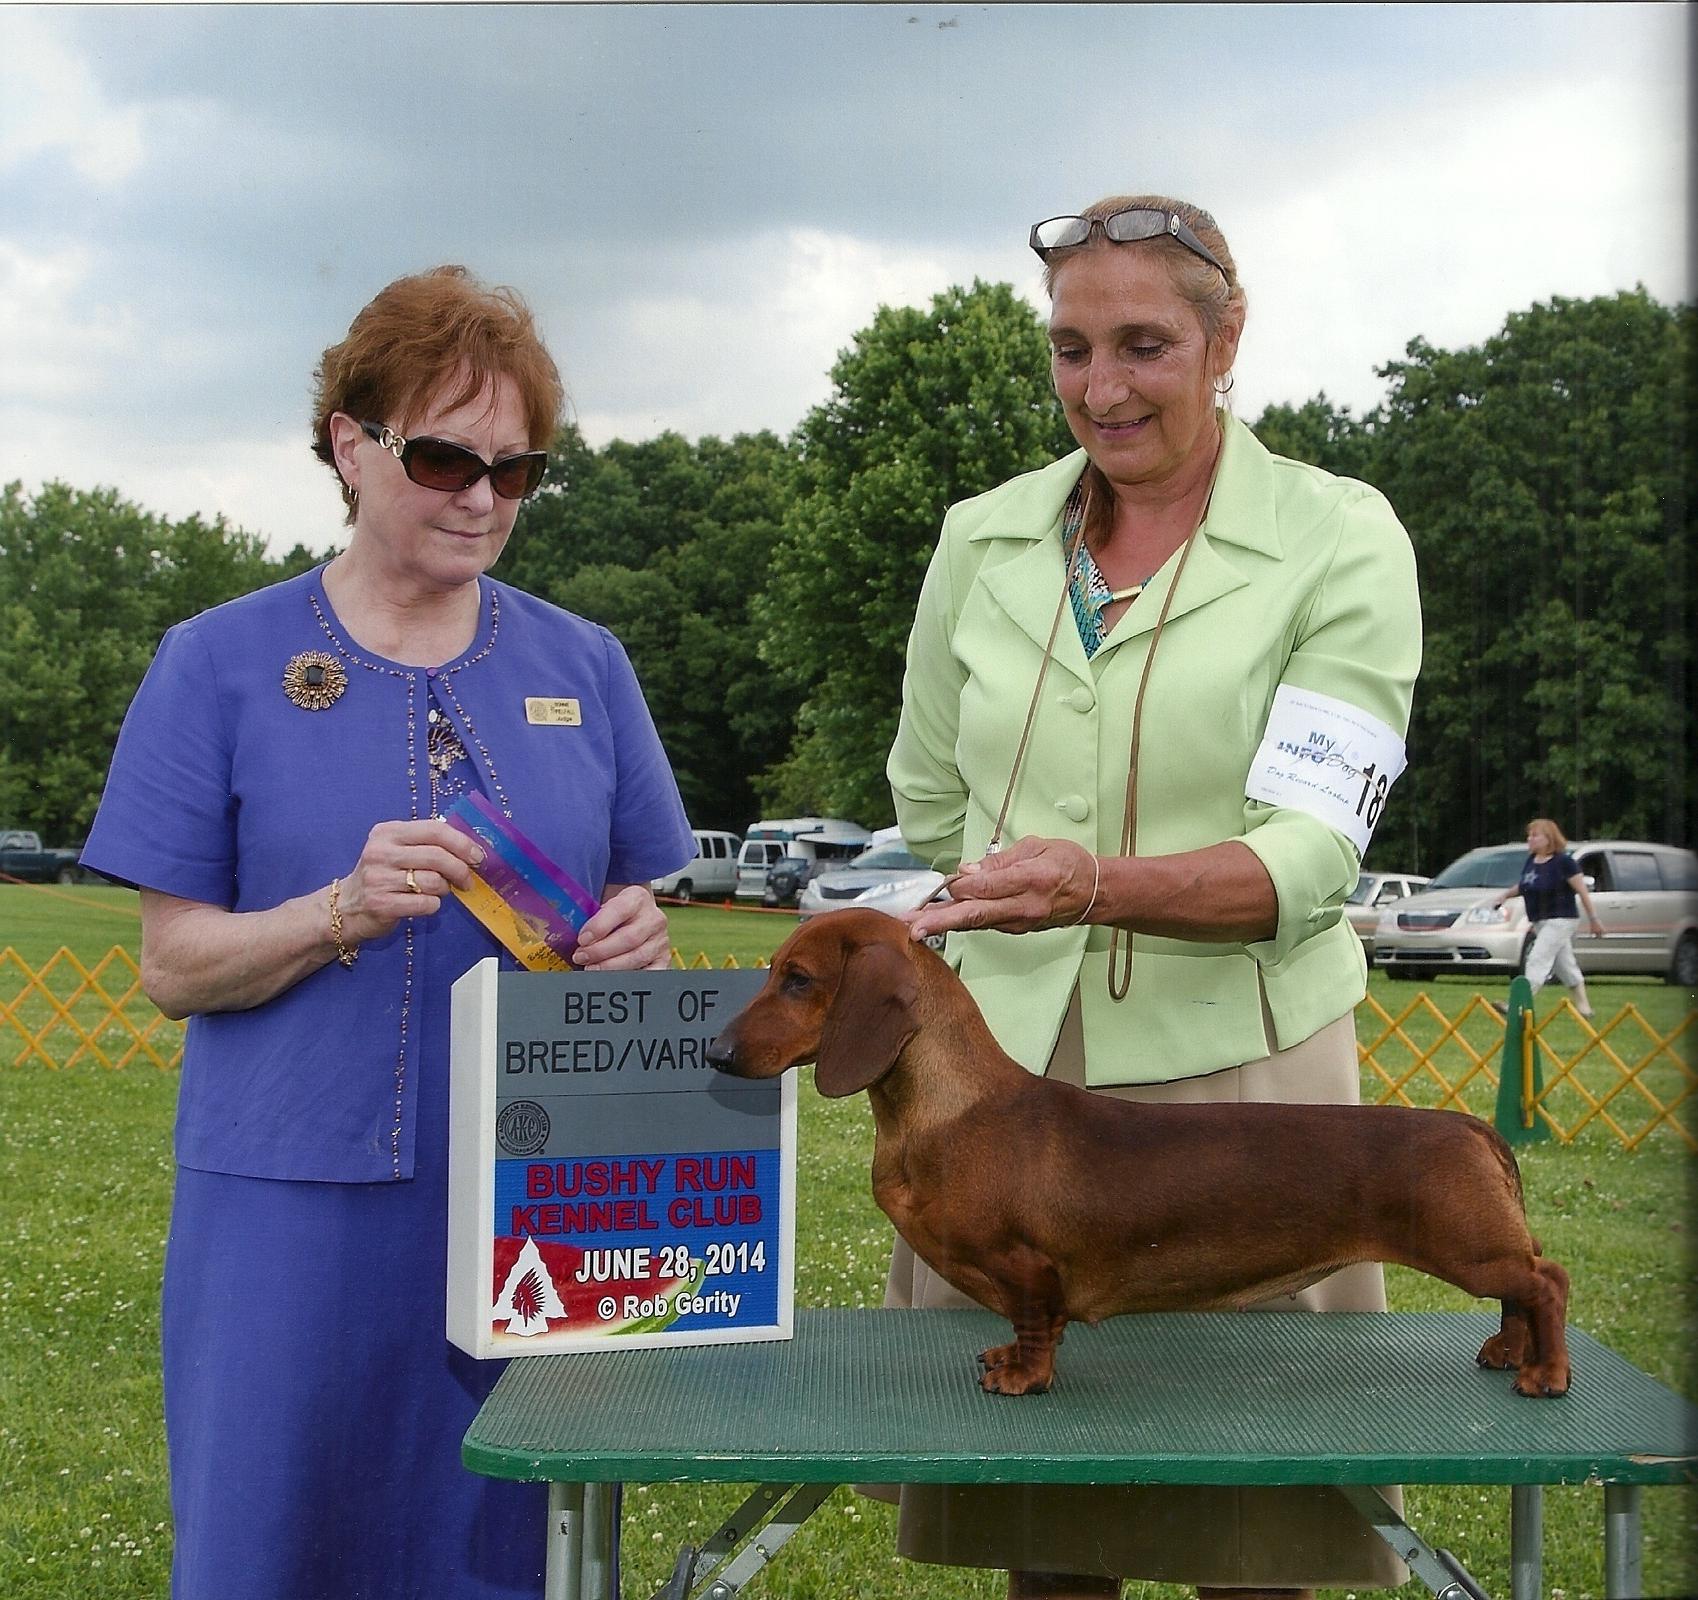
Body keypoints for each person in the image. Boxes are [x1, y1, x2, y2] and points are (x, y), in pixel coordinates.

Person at [79, 266, 696, 1600]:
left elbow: (639, 912)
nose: (482, 499)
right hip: (287, 1211)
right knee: (273, 1544)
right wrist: (335, 911)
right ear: (349, 445)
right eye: (443, 459)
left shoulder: (588, 666)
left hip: (542, 1204)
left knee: (515, 1549)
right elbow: (172, 967)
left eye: (516, 471)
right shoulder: (216, 663)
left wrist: (640, 943)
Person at [885, 196, 1423, 1600]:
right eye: (1070, 349)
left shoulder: (1339, 536)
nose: (1101, 388)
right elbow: (929, 794)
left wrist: (1092, 885)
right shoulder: (981, 538)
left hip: (1245, 1084)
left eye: (1142, 345)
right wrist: (1011, 899)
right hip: (1006, 1078)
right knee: (1047, 1522)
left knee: (1252, 1532)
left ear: (1225, 340)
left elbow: (1313, 853)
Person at [1487, 818, 1604, 1018]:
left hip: (1561, 919)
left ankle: (1518, 1005)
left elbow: (1582, 891)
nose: (1529, 839)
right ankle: (1584, 1008)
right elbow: (1524, 885)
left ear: (1549, 838)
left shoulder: (1564, 862)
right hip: (1540, 920)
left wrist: (1594, 919)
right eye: (1529, 835)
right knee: (1564, 965)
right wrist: (1505, 895)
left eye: (1535, 835)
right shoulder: (1531, 861)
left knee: (1537, 958)